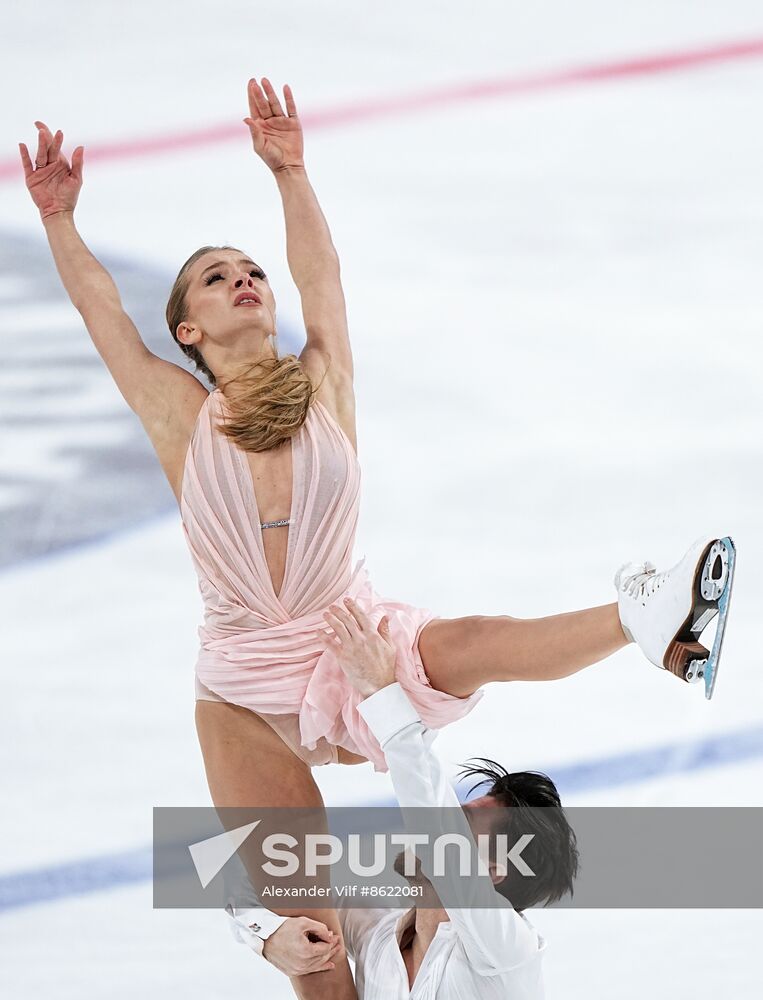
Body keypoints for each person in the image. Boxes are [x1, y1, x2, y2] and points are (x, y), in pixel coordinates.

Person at [19, 76, 734, 1000]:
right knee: (309, 944)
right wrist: (59, 224)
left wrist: (290, 170)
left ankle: (646, 616)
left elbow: (323, 277)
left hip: (344, 628)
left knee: (469, 645)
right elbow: (103, 319)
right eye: (215, 276)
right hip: (244, 682)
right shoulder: (175, 412)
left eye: (251, 271)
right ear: (189, 330)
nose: (244, 278)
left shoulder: (324, 382)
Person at [226, 596, 578, 999]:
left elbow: (433, 820)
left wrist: (381, 690)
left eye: (459, 824)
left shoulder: (506, 952)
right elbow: (256, 870)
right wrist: (269, 936)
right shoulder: (377, 934)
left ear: (493, 872)